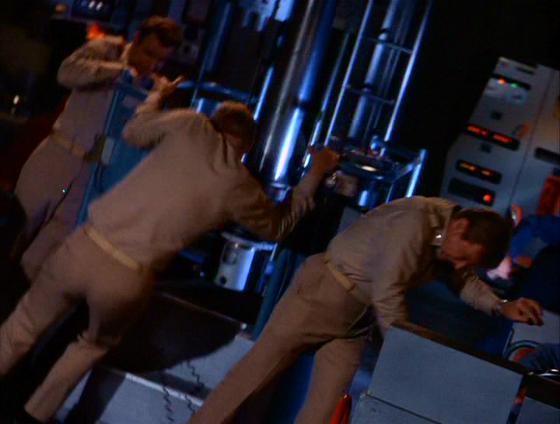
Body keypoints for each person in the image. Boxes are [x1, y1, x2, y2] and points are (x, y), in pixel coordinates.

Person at [0, 86, 340, 422]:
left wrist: (156, 96)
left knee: (22, 327)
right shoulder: (238, 183)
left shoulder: (190, 124)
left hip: (87, 243)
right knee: (89, 346)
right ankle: (33, 416)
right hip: (128, 275)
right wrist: (314, 174)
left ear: (214, 122)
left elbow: (133, 132)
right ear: (245, 147)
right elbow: (278, 227)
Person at [190, 196, 544, 424]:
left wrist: (501, 306)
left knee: (324, 410)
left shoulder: (451, 236)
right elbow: (388, 293)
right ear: (461, 227)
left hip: (355, 320)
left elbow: (463, 281)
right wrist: (404, 349)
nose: (460, 265)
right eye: (463, 256)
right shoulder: (416, 223)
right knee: (251, 380)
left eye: (469, 262)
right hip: (323, 296)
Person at [12, 16, 183, 281]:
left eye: (160, 61)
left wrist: (158, 100)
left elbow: (137, 136)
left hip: (91, 174)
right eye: (149, 54)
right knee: (18, 225)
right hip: (59, 156)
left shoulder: (152, 85)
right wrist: (119, 70)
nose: (152, 65)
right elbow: (66, 72)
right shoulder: (107, 50)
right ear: (137, 39)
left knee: (46, 252)